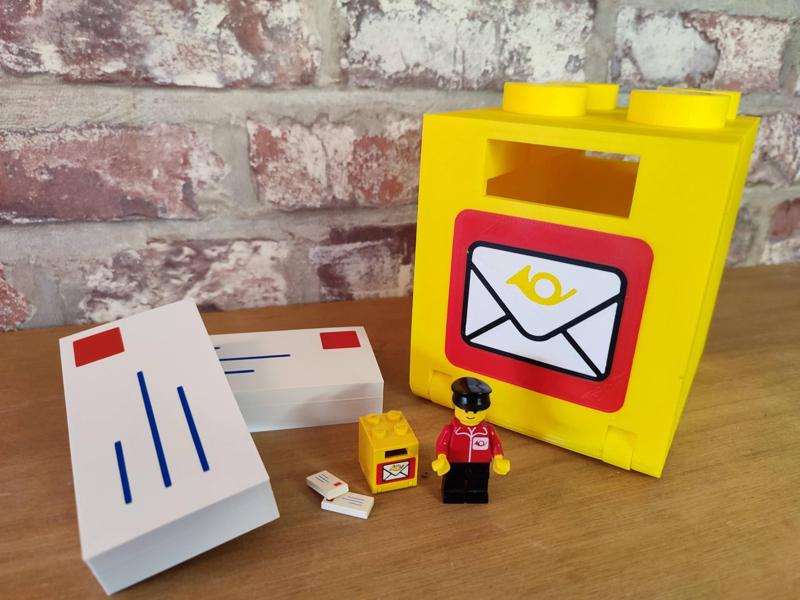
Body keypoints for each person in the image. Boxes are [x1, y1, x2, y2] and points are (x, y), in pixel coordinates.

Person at [431, 377, 510, 503]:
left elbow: (496, 444)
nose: (471, 414)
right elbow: (442, 444)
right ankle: (453, 493)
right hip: (455, 462)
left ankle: (477, 493)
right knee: (454, 481)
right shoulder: (451, 429)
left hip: (481, 463)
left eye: (476, 411)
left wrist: (499, 458)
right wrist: (441, 457)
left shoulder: (488, 430)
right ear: (456, 406)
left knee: (479, 481)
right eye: (466, 410)